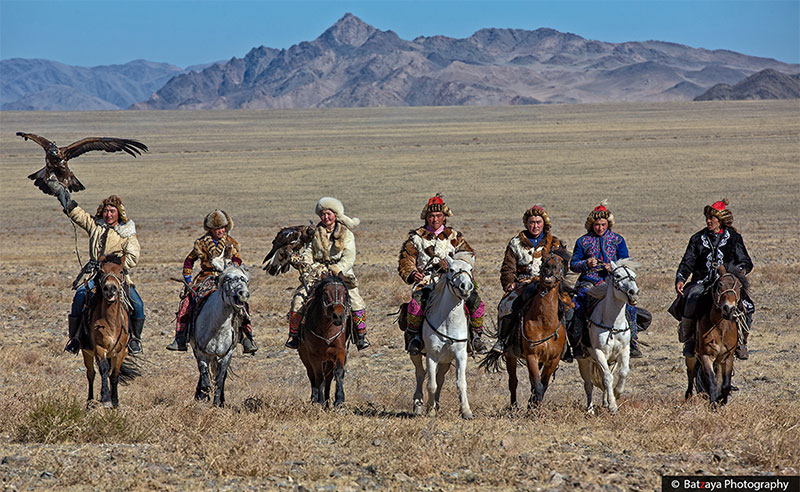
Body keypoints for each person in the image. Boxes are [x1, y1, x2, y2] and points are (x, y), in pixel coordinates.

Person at [53, 189, 146, 355]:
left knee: (138, 304)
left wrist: (111, 262)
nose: (108, 214)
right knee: (80, 296)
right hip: (96, 276)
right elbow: (80, 216)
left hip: (117, 278)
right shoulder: (96, 227)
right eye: (106, 210)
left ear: (119, 213)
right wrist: (67, 202)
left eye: (112, 211)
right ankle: (75, 339)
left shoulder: (127, 234)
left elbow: (132, 258)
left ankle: (134, 340)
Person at [398, 194, 487, 355]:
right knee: (416, 305)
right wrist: (412, 273)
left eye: (438, 216)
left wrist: (454, 265)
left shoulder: (454, 236)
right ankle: (415, 337)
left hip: (452, 279)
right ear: (426, 217)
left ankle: (476, 336)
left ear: (444, 217)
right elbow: (406, 260)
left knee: (476, 302)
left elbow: (467, 254)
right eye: (431, 216)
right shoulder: (416, 238)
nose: (434, 219)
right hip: (427, 281)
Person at [166, 210, 257, 354]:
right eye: (216, 228)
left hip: (226, 277)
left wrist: (232, 264)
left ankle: (247, 337)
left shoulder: (230, 243)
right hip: (206, 278)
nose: (220, 231)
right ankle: (180, 338)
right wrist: (189, 281)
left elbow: (238, 260)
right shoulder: (201, 243)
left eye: (222, 227)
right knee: (187, 303)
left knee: (242, 302)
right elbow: (189, 261)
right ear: (210, 229)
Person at [284, 197, 369, 351]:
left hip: (342, 273)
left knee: (356, 300)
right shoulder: (316, 233)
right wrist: (302, 261)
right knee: (299, 299)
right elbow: (310, 251)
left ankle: (361, 335)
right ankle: (294, 336)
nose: (326, 217)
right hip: (318, 273)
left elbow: (349, 257)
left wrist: (337, 268)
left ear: (335, 214)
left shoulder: (347, 234)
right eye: (322, 214)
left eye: (329, 213)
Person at [673, 198, 753, 359]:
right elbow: (688, 261)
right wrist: (681, 278)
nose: (709, 221)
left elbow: (745, 261)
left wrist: (737, 272)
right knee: (691, 299)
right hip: (702, 282)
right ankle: (689, 339)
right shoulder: (697, 239)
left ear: (720, 220)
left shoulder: (733, 237)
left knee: (748, 305)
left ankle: (741, 341)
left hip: (727, 284)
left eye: (712, 218)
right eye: (707, 218)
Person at [568, 199, 643, 358]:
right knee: (577, 307)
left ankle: (633, 342)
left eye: (603, 224)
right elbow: (573, 265)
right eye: (597, 225)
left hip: (613, 282)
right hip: (589, 281)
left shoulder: (618, 240)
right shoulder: (583, 241)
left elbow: (626, 262)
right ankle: (577, 345)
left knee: (630, 306)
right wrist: (586, 263)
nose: (600, 228)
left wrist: (613, 266)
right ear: (591, 225)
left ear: (608, 224)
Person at [492, 205, 567, 354]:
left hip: (550, 284)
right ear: (526, 223)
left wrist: (557, 281)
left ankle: (567, 345)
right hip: (524, 283)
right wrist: (509, 283)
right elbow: (508, 267)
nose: (535, 226)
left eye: (538, 222)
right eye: (532, 222)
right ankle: (503, 340)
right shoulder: (516, 243)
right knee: (506, 306)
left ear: (544, 223)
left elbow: (563, 265)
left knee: (568, 307)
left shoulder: (555, 243)